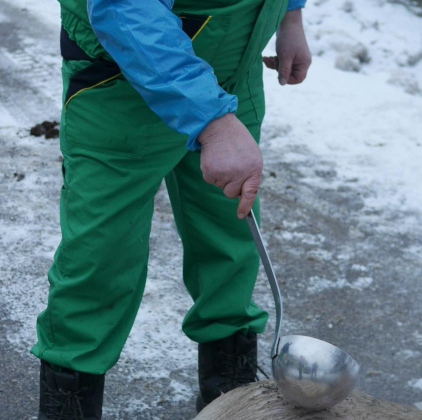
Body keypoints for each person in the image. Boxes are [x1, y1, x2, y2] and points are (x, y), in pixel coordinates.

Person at [31, 0, 311, 418]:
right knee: (100, 257)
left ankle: (229, 395)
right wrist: (211, 121)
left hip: (233, 67)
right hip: (124, 73)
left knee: (230, 234)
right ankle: (69, 405)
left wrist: (290, 15)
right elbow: (124, 8)